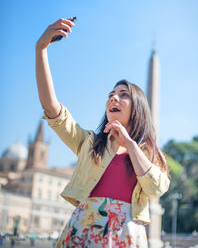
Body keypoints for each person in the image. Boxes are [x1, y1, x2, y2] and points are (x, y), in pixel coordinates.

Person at [36, 18, 170, 248]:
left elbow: (156, 188)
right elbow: (52, 109)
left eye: (123, 94)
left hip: (124, 235)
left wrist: (130, 145)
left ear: (138, 108)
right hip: (84, 229)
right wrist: (41, 50)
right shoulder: (88, 142)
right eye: (111, 94)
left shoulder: (149, 153)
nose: (113, 98)